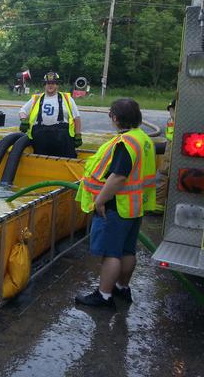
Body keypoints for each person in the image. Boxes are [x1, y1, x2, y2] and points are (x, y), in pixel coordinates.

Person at [75, 98, 156, 309]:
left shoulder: (125, 143)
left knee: (111, 253)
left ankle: (104, 296)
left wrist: (101, 199)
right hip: (134, 207)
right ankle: (122, 287)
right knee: (128, 251)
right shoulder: (143, 138)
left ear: (115, 117)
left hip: (116, 207)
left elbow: (119, 177)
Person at [18, 71, 82, 158]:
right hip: (41, 137)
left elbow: (77, 118)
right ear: (44, 85)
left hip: (63, 138)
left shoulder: (67, 99)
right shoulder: (36, 99)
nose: (50, 85)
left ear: (57, 85)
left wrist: (78, 135)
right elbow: (22, 111)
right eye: (48, 83)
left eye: (53, 83)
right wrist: (24, 120)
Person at [155, 99, 175, 213]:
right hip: (170, 147)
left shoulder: (177, 120)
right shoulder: (172, 120)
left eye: (172, 110)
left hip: (171, 151)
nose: (171, 114)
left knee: (162, 175)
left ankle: (158, 206)